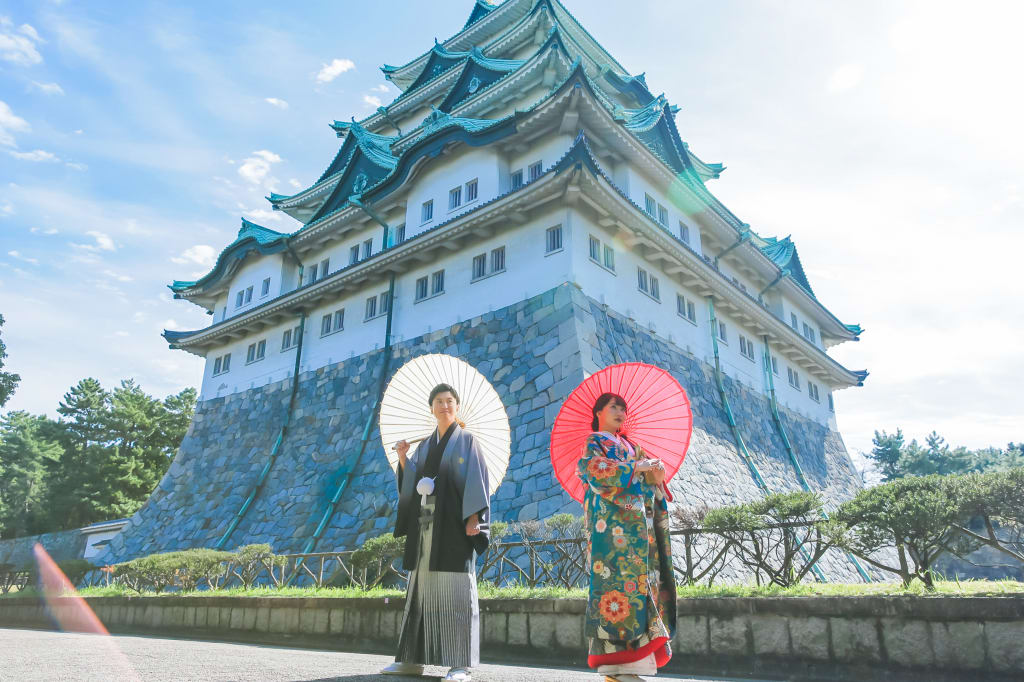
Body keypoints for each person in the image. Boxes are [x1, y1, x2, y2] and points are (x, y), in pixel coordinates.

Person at [381, 383, 490, 682]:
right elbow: (414, 481)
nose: (444, 406)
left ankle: (460, 664)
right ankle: (411, 659)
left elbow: (477, 479)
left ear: (457, 406)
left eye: (450, 400)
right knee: (420, 590)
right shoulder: (425, 446)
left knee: (456, 590)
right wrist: (404, 459)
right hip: (425, 527)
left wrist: (474, 517)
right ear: (431, 408)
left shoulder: (467, 441)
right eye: (439, 401)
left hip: (454, 525)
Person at [576, 392, 677, 682]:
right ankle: (613, 669)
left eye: (623, 408)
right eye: (614, 407)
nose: (620, 412)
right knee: (615, 590)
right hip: (610, 532)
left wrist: (657, 478)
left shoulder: (634, 447)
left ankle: (635, 667)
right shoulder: (594, 442)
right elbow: (594, 472)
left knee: (642, 590)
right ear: (598, 412)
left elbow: (651, 485)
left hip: (640, 532)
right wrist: (635, 468)